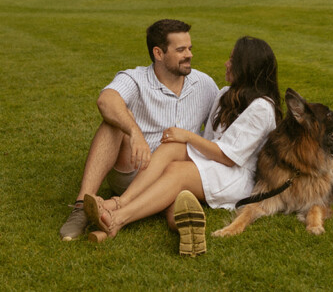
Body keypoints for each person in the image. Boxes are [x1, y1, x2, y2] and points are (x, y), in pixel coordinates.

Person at [82, 36, 282, 256]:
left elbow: (228, 157)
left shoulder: (262, 108)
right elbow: (210, 142)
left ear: (247, 67)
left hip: (235, 175)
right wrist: (182, 140)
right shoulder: (226, 94)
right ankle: (120, 201)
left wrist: (187, 136)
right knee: (171, 146)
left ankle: (117, 219)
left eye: (233, 60)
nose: (226, 63)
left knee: (177, 171)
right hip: (214, 162)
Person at [59, 18, 219, 241]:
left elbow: (222, 127)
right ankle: (80, 207)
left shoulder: (204, 84)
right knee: (114, 122)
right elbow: (106, 101)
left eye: (190, 48)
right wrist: (135, 133)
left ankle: (173, 221)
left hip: (173, 174)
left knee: (178, 193)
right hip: (133, 169)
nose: (189, 55)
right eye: (181, 49)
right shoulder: (135, 78)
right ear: (159, 53)